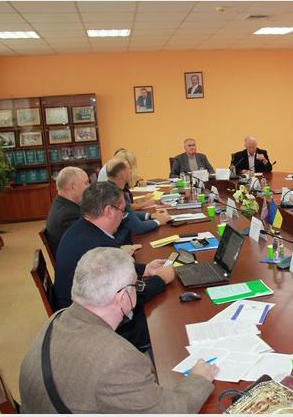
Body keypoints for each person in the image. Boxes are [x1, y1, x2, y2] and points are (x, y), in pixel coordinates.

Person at [20, 247, 218, 413]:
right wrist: (199, 379)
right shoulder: (119, 360)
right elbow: (169, 412)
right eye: (137, 286)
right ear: (123, 297)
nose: (138, 290)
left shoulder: (57, 318)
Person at [54, 182, 175, 350]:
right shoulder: (100, 244)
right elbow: (130, 297)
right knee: (169, 321)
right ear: (109, 211)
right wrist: (161, 279)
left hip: (78, 314)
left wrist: (145, 269)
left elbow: (113, 272)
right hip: (98, 330)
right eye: (122, 211)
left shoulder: (82, 228)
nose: (124, 216)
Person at [107, 159, 171, 245]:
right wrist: (159, 221)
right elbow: (138, 227)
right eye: (129, 169)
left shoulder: (109, 188)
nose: (131, 172)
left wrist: (150, 216)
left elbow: (129, 213)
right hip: (119, 244)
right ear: (122, 175)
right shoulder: (116, 195)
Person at [45, 167, 89, 254]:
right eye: (86, 183)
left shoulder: (62, 204)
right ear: (72, 187)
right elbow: (88, 241)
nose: (89, 186)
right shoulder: (68, 215)